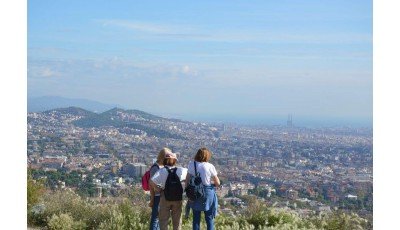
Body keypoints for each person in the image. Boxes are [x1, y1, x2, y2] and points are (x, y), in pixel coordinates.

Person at [150, 152, 188, 230]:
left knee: (163, 221)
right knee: (177, 221)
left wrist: (158, 189)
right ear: (175, 161)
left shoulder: (161, 171)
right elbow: (190, 175)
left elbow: (151, 182)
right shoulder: (181, 170)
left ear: (165, 160)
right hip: (177, 197)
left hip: (165, 196)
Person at [186, 148, 220, 230]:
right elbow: (217, 183)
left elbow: (187, 180)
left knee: (196, 218)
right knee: (209, 218)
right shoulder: (210, 166)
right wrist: (211, 183)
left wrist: (188, 193)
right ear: (207, 156)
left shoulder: (191, 164)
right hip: (207, 192)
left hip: (194, 192)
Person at [148, 148, 168, 230]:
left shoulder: (162, 167)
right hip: (157, 197)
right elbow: (151, 184)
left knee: (159, 219)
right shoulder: (155, 168)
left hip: (162, 196)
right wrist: (152, 199)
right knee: (155, 219)